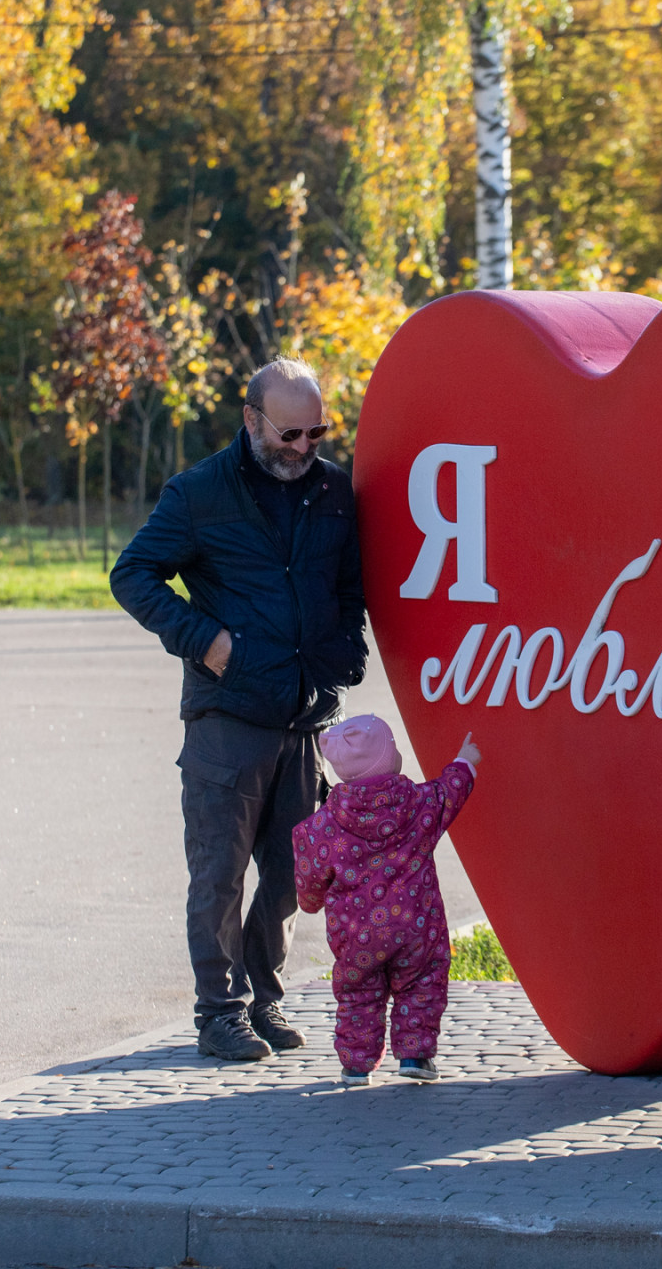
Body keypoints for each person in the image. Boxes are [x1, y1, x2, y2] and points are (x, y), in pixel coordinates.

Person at [110, 357, 367, 1062]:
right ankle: (219, 1013)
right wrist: (206, 642)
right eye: (290, 433)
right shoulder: (199, 493)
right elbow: (132, 574)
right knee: (219, 875)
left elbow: (351, 587)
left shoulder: (336, 492)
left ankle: (263, 999)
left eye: (317, 433)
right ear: (252, 420)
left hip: (306, 719)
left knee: (291, 875)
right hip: (227, 719)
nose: (304, 447)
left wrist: (347, 654)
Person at [293, 715, 479, 1085]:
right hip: (417, 927)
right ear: (387, 761)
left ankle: (356, 1064)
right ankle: (415, 1055)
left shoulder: (323, 826)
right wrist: (466, 762)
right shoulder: (418, 804)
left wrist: (310, 901)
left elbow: (309, 876)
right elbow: (449, 791)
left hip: (356, 935)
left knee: (358, 994)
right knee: (421, 985)